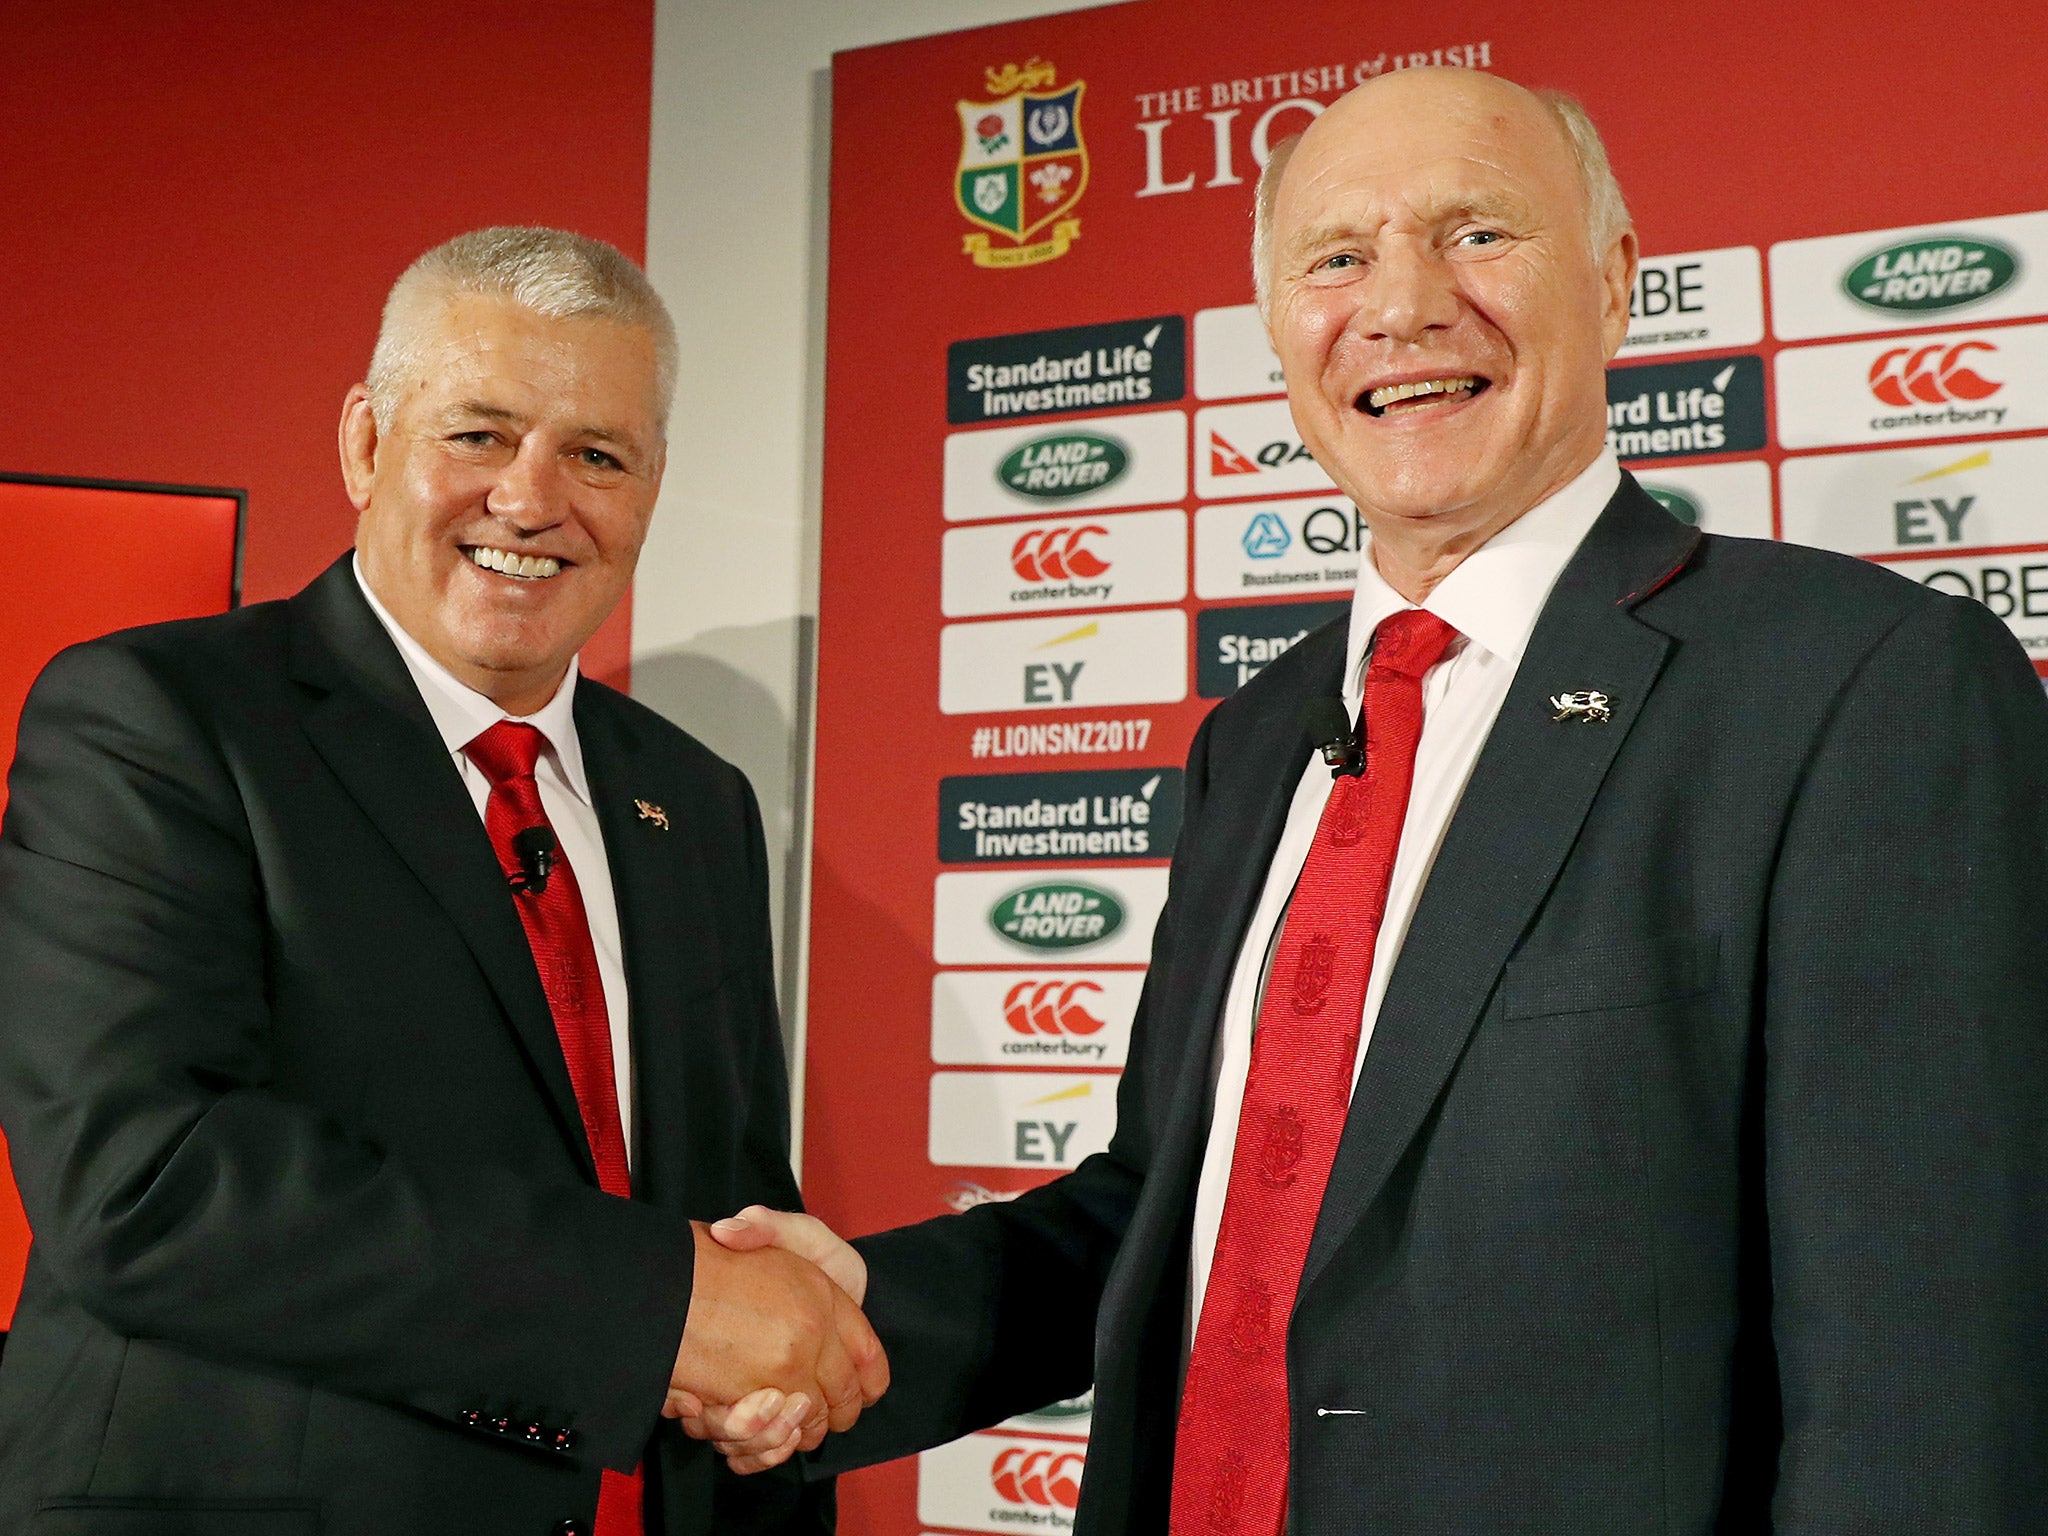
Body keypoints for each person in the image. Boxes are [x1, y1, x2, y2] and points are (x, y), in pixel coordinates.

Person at [687, 68, 2048, 1532]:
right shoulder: (1257, 737)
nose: (1401, 306)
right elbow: (1170, 1206)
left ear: (1616, 281)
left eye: (1477, 235)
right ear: (1279, 327)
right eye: (1336, 258)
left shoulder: (1866, 687)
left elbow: (1926, 1374)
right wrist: (855, 1312)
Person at [0, 227, 884, 1535]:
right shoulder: (158, 717)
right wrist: (667, 1310)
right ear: (366, 443)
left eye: (599, 455)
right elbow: (147, 1182)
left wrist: (766, 1369)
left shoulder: (697, 803)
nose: (532, 501)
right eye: (478, 435)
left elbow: (722, 1205)